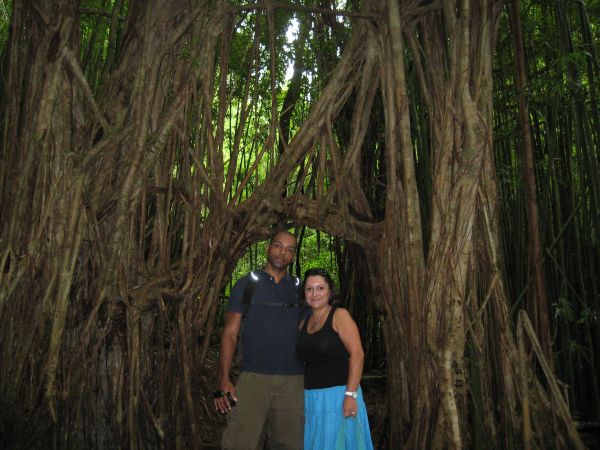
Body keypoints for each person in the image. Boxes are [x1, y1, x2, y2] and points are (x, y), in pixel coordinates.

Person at [214, 229, 304, 450]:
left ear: (293, 256)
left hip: (293, 381)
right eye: (278, 246)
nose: (283, 253)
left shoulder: (300, 290)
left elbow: (314, 329)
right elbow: (230, 333)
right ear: (268, 248)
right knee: (240, 442)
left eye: (289, 249)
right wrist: (224, 378)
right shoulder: (247, 285)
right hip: (253, 377)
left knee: (291, 444)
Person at [296, 268, 374, 450]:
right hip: (312, 399)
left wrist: (351, 395)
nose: (314, 294)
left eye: (320, 288)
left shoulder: (340, 316)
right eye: (309, 289)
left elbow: (358, 354)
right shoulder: (303, 323)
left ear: (330, 291)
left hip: (338, 397)